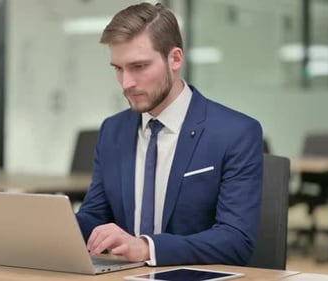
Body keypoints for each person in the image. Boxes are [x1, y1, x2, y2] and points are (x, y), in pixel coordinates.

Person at [75, 2, 263, 266]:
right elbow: (96, 216)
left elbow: (235, 240)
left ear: (175, 59)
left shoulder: (236, 133)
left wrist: (145, 247)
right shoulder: (112, 131)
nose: (126, 83)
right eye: (118, 68)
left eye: (139, 67)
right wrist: (46, 228)